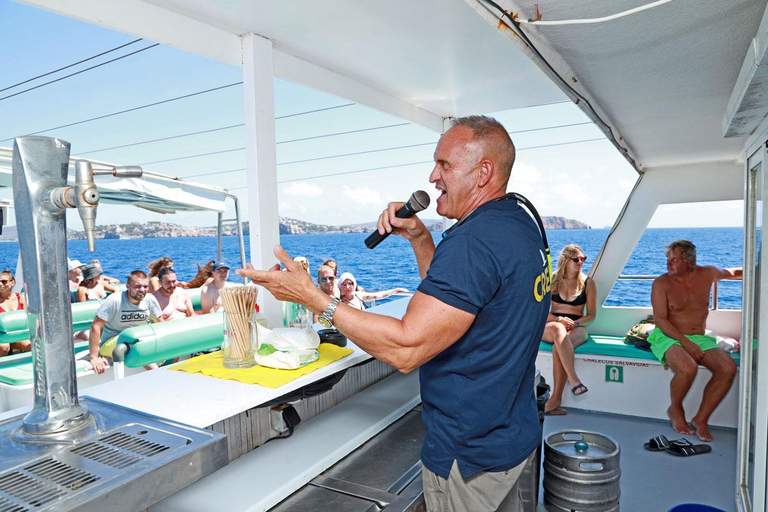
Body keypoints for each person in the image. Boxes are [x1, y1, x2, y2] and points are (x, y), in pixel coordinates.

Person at [239, 115, 550, 511]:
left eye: (445, 165)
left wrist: (315, 299)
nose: (433, 177)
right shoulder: (518, 223)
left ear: (483, 172)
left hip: (469, 456)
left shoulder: (473, 243)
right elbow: (459, 302)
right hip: (511, 435)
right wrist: (421, 238)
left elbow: (407, 349)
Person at [650, 239, 741, 442]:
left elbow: (734, 273)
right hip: (667, 336)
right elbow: (661, 320)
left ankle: (701, 419)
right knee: (687, 367)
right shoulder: (661, 283)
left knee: (727, 368)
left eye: (674, 260)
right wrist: (685, 343)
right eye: (668, 259)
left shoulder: (707, 273)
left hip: (699, 337)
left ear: (690, 262)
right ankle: (675, 408)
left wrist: (758, 269)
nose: (669, 264)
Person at [541, 245, 596, 415]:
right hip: (552, 324)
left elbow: (592, 316)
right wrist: (558, 319)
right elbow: (540, 310)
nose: (581, 262)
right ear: (565, 260)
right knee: (559, 331)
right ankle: (575, 381)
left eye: (583, 259)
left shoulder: (588, 283)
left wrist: (576, 324)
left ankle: (556, 398)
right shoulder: (551, 280)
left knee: (561, 346)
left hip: (576, 326)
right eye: (576, 259)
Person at [87, 270, 163, 374]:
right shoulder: (115, 300)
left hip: (139, 340)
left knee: (140, 338)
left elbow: (160, 324)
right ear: (128, 286)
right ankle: (158, 373)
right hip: (111, 344)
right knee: (131, 338)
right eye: (137, 286)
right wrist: (94, 357)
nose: (142, 290)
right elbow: (95, 326)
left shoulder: (150, 300)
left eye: (145, 287)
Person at [337, 272, 408, 310]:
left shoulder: (359, 295)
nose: (348, 287)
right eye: (344, 284)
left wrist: (395, 290)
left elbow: (379, 295)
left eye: (350, 283)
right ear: (340, 286)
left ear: (354, 284)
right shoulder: (339, 300)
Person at [0, 270, 29, 356]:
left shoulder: (21, 298)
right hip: (2, 337)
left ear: (12, 282)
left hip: (18, 335)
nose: (0, 284)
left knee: (29, 345)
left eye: (4, 282)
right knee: (4, 347)